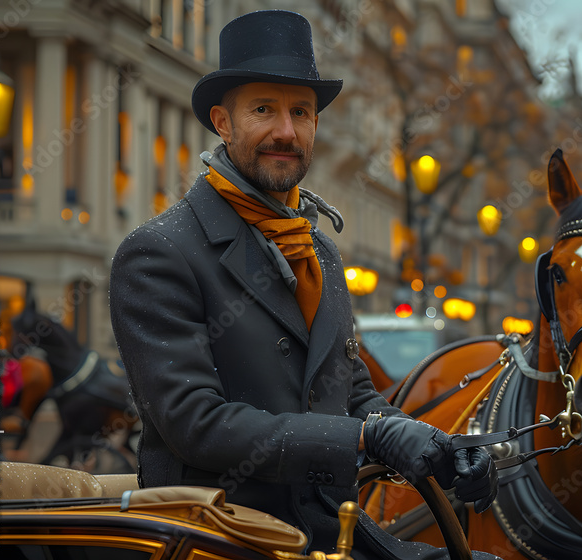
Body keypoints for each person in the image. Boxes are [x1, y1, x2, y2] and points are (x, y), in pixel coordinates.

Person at [108, 10, 498, 559]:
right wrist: (365, 439)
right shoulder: (159, 252)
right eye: (263, 110)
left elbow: (352, 391)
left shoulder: (319, 251)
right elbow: (197, 424)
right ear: (222, 122)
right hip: (220, 536)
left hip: (329, 530)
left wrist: (437, 447)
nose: (285, 132)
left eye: (301, 112)